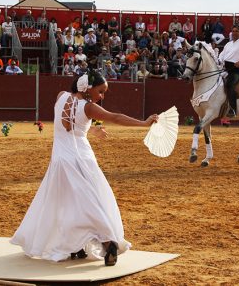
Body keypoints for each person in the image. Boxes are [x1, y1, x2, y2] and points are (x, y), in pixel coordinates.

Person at [10, 70, 158, 265]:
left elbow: (69, 125)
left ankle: (77, 246)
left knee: (65, 204)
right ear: (88, 89)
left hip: (61, 159)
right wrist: (143, 123)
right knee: (90, 201)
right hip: (82, 158)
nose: (102, 96)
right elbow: (115, 117)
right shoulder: (89, 107)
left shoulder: (61, 96)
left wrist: (92, 129)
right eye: (100, 91)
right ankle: (107, 241)